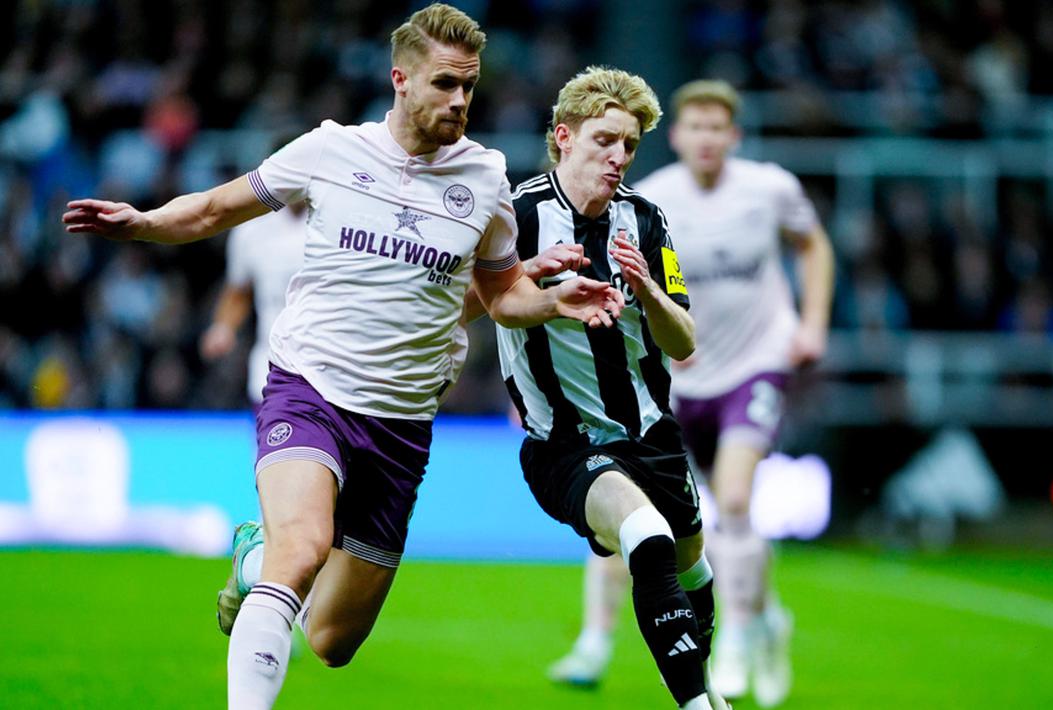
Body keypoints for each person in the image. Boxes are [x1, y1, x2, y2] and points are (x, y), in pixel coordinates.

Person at [62, 5, 623, 709]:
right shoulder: (329, 151)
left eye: (469, 87)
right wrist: (145, 223)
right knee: (302, 551)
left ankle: (252, 559)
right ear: (400, 79)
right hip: (310, 389)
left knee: (331, 641)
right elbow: (213, 209)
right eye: (445, 84)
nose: (459, 101)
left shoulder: (485, 180)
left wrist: (551, 302)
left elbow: (502, 294)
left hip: (400, 426)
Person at [547, 79, 834, 707]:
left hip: (753, 366)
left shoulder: (771, 189)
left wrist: (811, 323)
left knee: (733, 498)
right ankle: (741, 619)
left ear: (734, 136)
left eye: (717, 128)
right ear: (676, 137)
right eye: (694, 127)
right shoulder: (653, 200)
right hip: (679, 382)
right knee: (647, 524)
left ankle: (730, 642)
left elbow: (814, 247)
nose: (706, 139)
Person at [471, 66, 725, 710]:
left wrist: (647, 293)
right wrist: (545, 292)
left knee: (693, 566)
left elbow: (684, 341)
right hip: (561, 443)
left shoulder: (645, 221)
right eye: (604, 140)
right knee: (648, 536)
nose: (618, 157)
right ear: (563, 137)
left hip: (651, 432)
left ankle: (705, 686)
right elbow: (477, 303)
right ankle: (697, 704)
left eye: (630, 146)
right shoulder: (514, 213)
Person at [199, 194, 306, 407]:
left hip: (330, 370)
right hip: (271, 370)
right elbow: (238, 291)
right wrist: (224, 326)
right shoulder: (252, 228)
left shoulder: (338, 222)